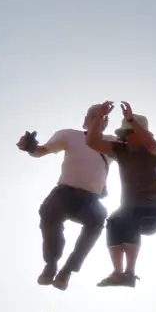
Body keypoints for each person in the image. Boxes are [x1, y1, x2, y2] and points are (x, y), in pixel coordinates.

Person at [16, 104, 114, 290]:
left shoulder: (111, 143)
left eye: (104, 118)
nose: (100, 119)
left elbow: (135, 154)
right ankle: (51, 263)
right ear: (86, 120)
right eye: (96, 116)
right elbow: (41, 151)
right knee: (48, 211)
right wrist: (29, 147)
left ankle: (67, 271)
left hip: (90, 200)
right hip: (65, 192)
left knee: (98, 220)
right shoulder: (70, 136)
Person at [86, 101, 156, 287]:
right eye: (125, 135)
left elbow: (151, 144)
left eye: (130, 134)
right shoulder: (120, 151)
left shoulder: (152, 150)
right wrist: (100, 117)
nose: (127, 139)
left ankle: (130, 273)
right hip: (129, 212)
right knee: (114, 220)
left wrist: (131, 121)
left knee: (128, 215)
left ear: (140, 134)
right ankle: (118, 273)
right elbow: (91, 142)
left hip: (152, 214)